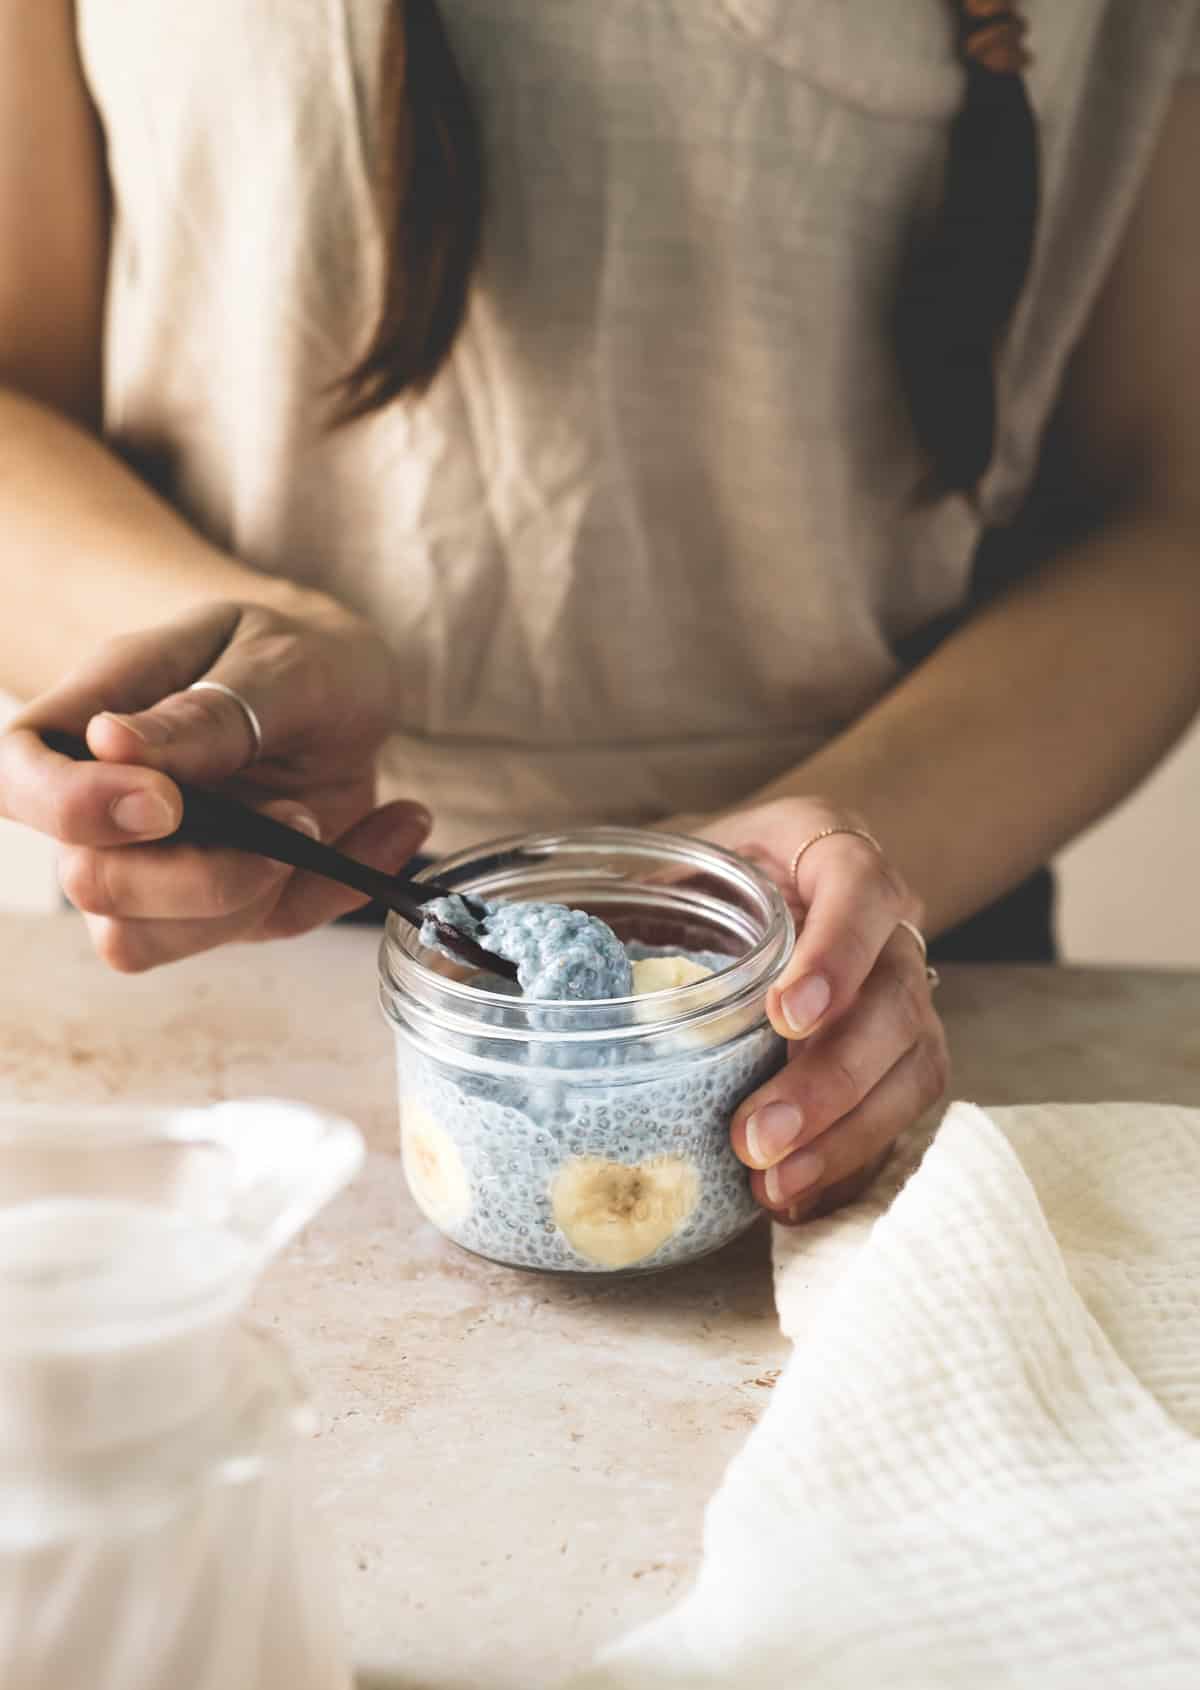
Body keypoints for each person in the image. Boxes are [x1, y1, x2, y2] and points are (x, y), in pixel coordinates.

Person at [2, 1, 1198, 1225]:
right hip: (243, 922)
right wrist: (236, 648)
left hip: (864, 962)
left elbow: (1164, 508)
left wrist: (856, 860)